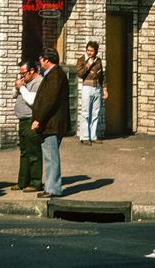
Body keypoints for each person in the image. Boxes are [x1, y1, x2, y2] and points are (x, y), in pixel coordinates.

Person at [30, 48, 70, 197]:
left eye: (41, 59)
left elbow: (49, 100)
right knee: (49, 156)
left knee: (51, 157)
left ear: (47, 60)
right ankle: (50, 187)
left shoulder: (55, 75)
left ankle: (53, 189)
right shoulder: (53, 74)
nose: (40, 62)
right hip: (50, 123)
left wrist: (38, 119)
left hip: (51, 124)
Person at [10, 59, 42, 191]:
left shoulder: (38, 82)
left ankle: (35, 182)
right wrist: (17, 86)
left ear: (32, 71)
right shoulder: (25, 82)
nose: (21, 76)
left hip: (31, 120)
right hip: (22, 120)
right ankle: (22, 181)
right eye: (20, 73)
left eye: (23, 73)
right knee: (24, 152)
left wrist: (22, 87)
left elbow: (31, 100)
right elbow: (13, 95)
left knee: (33, 152)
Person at [75, 40, 105, 144]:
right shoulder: (82, 60)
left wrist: (104, 89)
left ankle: (93, 135)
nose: (89, 52)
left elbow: (102, 76)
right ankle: (85, 137)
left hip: (96, 88)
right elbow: (80, 73)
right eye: (88, 50)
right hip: (87, 87)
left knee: (95, 112)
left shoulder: (98, 61)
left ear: (96, 51)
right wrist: (88, 64)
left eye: (91, 51)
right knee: (86, 112)